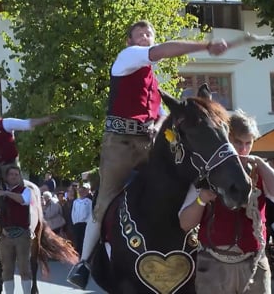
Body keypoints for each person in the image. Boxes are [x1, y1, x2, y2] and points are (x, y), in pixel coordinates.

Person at [68, 19, 231, 288]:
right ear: (129, 41)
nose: (146, 36)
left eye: (150, 33)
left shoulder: (153, 81)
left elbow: (160, 115)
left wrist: (158, 125)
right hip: (120, 144)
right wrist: (206, 45)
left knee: (184, 176)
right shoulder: (127, 57)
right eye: (140, 33)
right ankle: (84, 263)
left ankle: (195, 233)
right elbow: (162, 51)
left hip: (149, 142)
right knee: (104, 199)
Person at [178, 109, 274, 294]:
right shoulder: (208, 173)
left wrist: (261, 164)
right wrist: (202, 199)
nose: (243, 149)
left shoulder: (259, 171)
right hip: (213, 265)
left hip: (254, 264)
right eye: (237, 142)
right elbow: (185, 223)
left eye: (248, 143)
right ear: (227, 140)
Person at [0, 166, 33, 294]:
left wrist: (6, 193)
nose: (14, 176)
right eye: (11, 174)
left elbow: (24, 200)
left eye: (16, 174)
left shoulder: (25, 190)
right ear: (6, 177)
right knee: (7, 270)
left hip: (22, 235)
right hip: (5, 236)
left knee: (24, 269)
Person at [71, 185, 93, 256]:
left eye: (82, 191)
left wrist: (87, 221)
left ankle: (84, 253)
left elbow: (90, 212)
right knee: (77, 239)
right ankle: (77, 253)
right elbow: (73, 212)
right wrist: (74, 221)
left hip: (84, 224)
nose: (80, 193)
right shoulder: (76, 202)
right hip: (77, 223)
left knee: (83, 238)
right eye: (79, 191)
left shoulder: (89, 201)